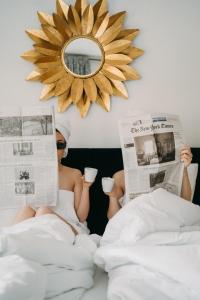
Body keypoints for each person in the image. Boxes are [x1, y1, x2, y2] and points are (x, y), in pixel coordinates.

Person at [13, 120, 93, 234]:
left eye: (59, 145)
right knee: (27, 209)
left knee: (44, 211)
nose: (54, 150)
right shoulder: (32, 172)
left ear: (65, 148)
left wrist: (86, 188)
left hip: (69, 227)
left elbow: (81, 217)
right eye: (50, 145)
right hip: (37, 222)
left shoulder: (74, 174)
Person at [106, 145, 193, 219]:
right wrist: (113, 197)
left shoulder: (173, 170)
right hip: (135, 227)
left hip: (167, 224)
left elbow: (186, 203)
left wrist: (183, 168)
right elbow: (113, 220)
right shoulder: (119, 177)